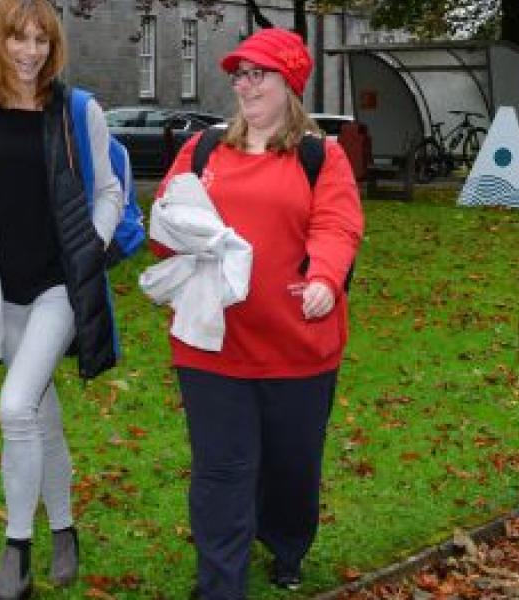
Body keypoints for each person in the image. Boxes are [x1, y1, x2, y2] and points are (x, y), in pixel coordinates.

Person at [0, 0, 125, 597]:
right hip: (1, 290)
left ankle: (17, 557)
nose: (30, 51)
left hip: (57, 287)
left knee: (14, 409)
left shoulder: (77, 110)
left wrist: (91, 247)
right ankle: (64, 529)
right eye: (18, 39)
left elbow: (110, 192)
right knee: (41, 416)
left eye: (40, 39)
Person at [152, 28, 363, 599]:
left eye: (257, 74)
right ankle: (221, 583)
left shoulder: (322, 156)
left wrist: (323, 277)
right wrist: (172, 235)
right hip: (211, 342)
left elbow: (337, 225)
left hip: (298, 343)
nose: (244, 86)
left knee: (291, 467)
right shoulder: (202, 150)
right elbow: (166, 217)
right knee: (222, 470)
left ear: (288, 83)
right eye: (239, 75)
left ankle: (288, 542)